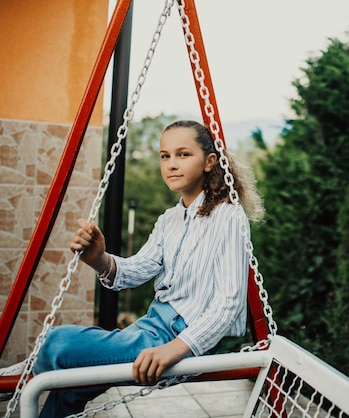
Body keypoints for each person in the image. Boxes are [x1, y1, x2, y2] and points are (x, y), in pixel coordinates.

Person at [0, 120, 264, 417]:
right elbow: (136, 270)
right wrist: (99, 258)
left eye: (183, 154)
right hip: (151, 326)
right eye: (165, 156)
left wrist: (177, 348)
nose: (172, 164)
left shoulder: (228, 216)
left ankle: (16, 377)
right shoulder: (169, 220)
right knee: (70, 389)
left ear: (209, 162)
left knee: (55, 343)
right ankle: (28, 373)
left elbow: (228, 303)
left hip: (180, 338)